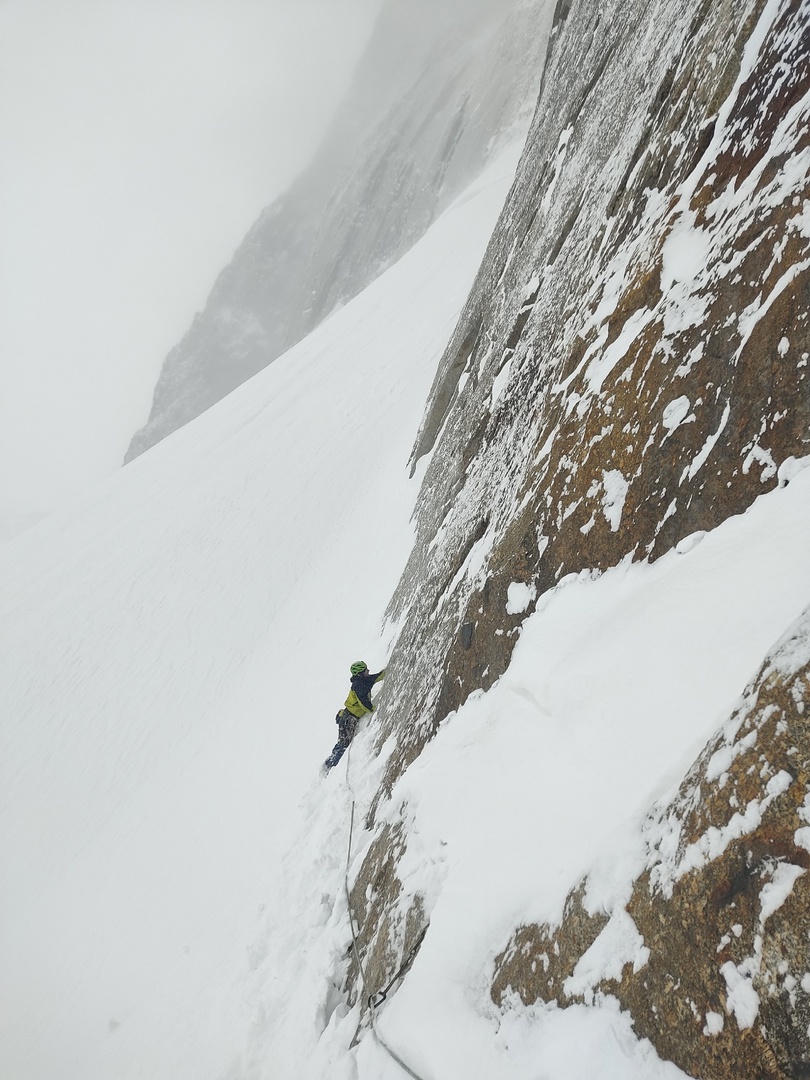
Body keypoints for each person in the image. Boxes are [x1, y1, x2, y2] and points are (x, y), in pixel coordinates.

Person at [322, 661, 386, 772]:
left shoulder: (363, 680)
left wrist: (386, 672)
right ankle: (330, 765)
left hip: (349, 716)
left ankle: (331, 763)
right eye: (366, 670)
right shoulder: (358, 686)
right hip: (348, 719)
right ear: (360, 674)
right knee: (344, 744)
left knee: (343, 742)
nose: (368, 671)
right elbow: (364, 702)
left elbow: (376, 677)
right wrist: (374, 710)